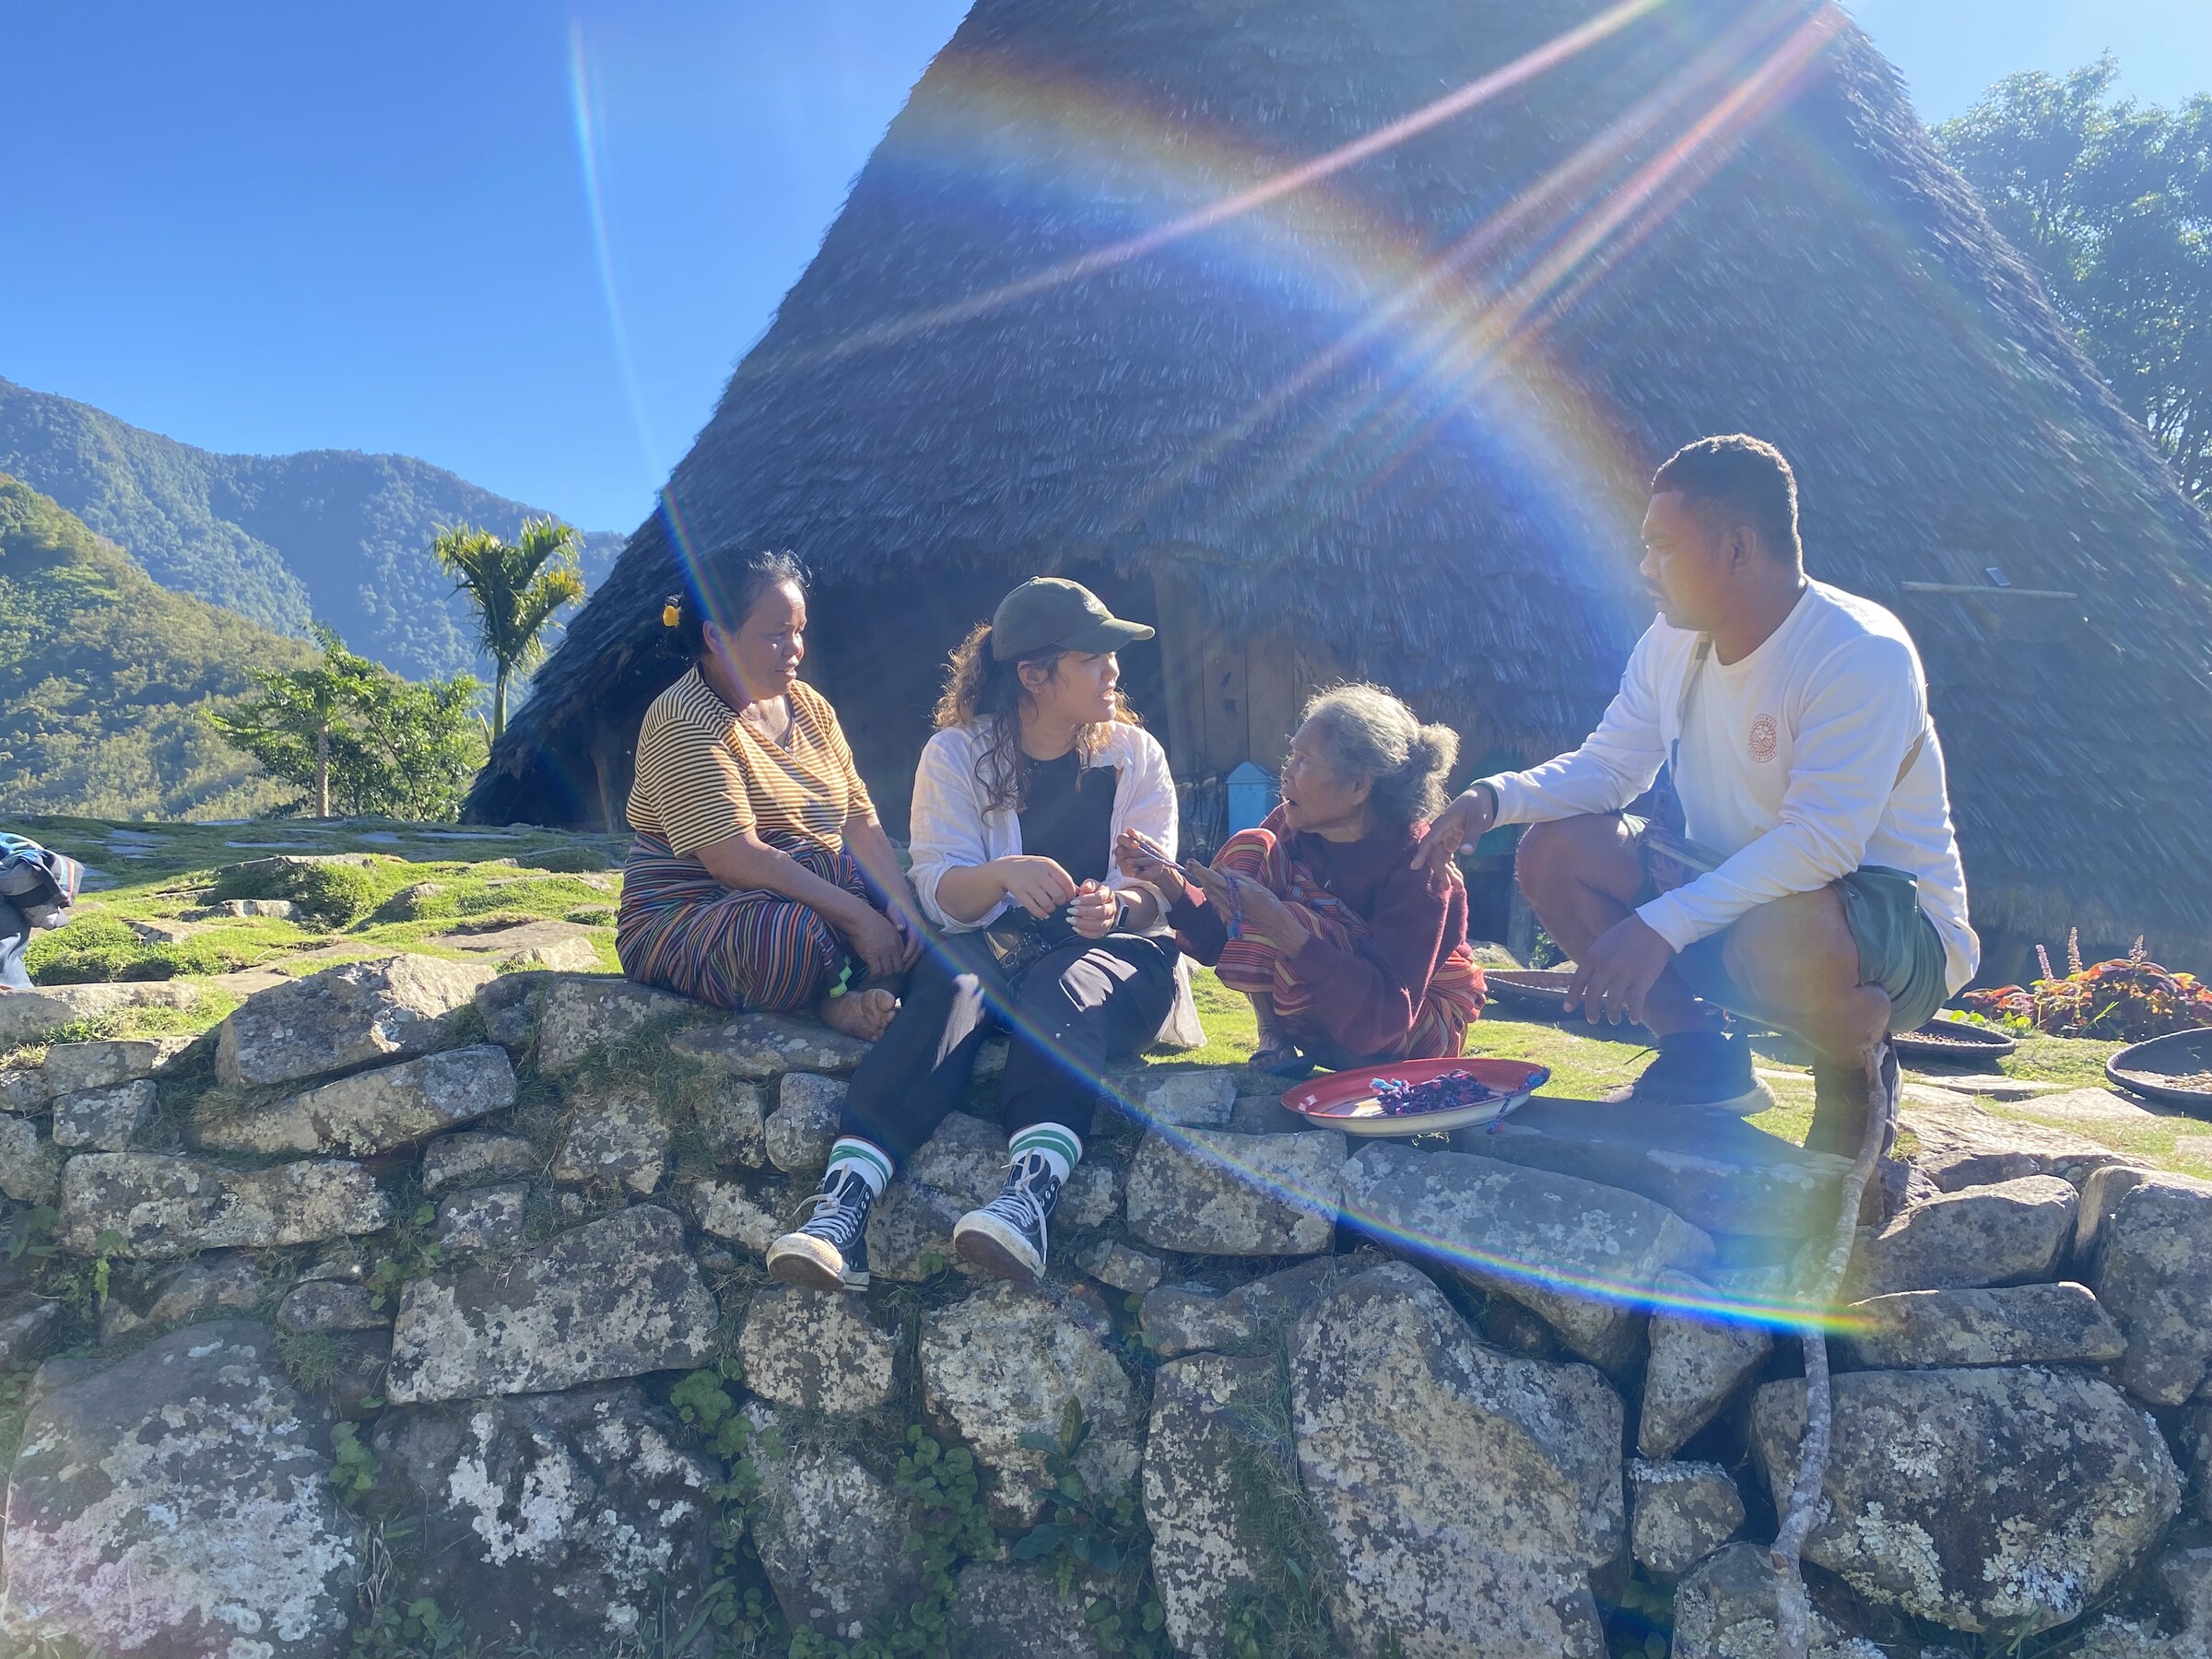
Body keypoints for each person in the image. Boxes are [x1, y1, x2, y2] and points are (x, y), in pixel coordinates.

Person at [1414, 435, 1977, 1153]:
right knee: (1555, 850)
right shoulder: (1673, 640)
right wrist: (1496, 798)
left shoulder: (1859, 653)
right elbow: (1613, 767)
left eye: (1663, 546)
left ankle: (1855, 1070)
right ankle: (1704, 1062)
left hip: (1888, 927)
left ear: (1738, 550)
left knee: (1784, 929)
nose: (1645, 567)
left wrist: (1662, 924)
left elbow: (1822, 844)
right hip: (1737, 895)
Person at [768, 577, 1191, 1291]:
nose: (1112, 670)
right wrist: (1002, 874)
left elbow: (1162, 892)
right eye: (1093, 657)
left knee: (1065, 981)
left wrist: (1120, 909)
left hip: (1116, 965)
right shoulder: (957, 755)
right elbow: (936, 886)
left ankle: (1028, 1200)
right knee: (950, 982)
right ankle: (841, 1209)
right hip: (998, 953)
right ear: (1033, 675)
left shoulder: (1136, 755)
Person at [618, 550, 923, 1043]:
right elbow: (732, 858)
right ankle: (831, 1002)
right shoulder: (684, 718)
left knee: (916, 916)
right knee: (787, 937)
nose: (795, 648)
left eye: (799, 630)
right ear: (716, 636)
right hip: (704, 911)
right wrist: (859, 917)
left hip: (819, 889)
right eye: (777, 634)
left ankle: (870, 994)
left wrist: (897, 907)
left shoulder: (810, 708)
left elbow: (859, 820)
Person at [1119, 684, 1486, 1076]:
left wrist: (1281, 925)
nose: (1287, 773)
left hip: (1408, 1033)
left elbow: (1389, 1015)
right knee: (1252, 849)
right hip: (1321, 1018)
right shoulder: (1290, 826)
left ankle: (1341, 1061)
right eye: (1291, 755)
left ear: (1358, 787)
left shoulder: (1420, 868)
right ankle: (1272, 1036)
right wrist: (1166, 880)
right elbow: (1220, 940)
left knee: (1291, 916)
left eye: (1304, 761)